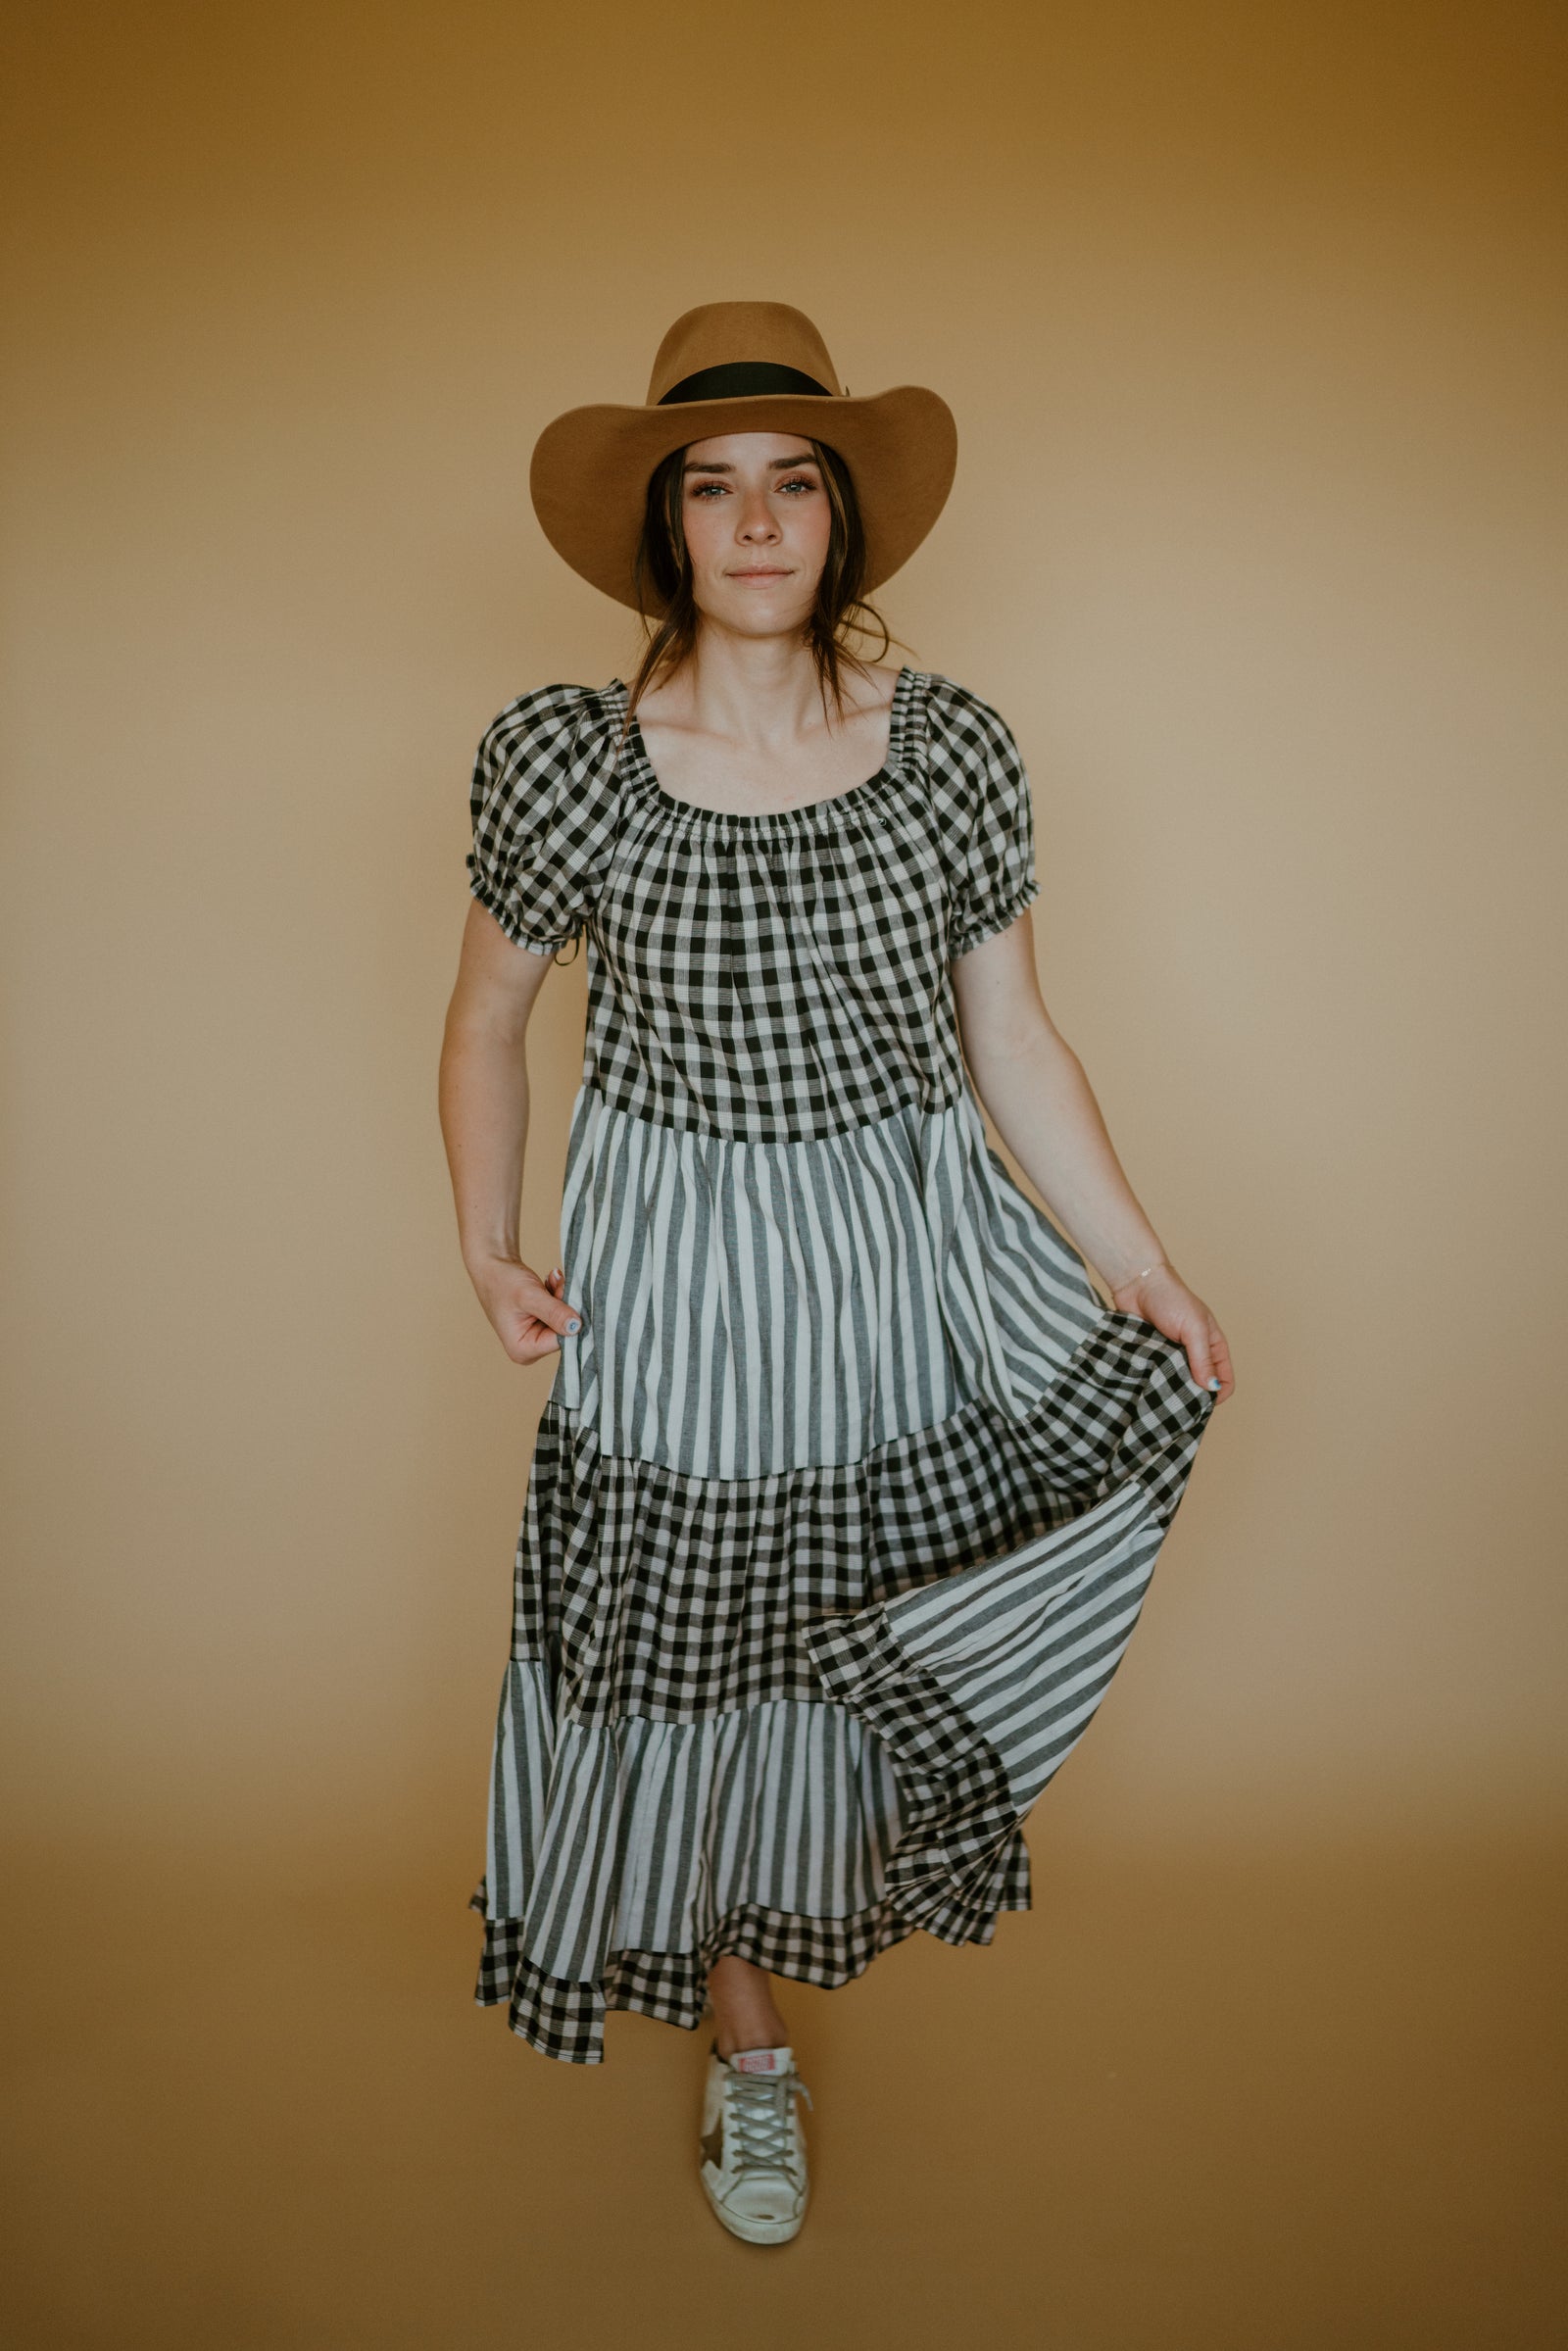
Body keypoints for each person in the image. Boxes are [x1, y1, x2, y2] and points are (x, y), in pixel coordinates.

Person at [437, 301, 1234, 2246]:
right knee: (699, 1651)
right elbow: (484, 1023)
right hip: (678, 1284)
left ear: (840, 517)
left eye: (791, 483)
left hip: (899, 1262)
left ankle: (796, 1932)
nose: (755, 522)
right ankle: (748, 2040)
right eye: (711, 487)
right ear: (664, 528)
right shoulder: (564, 761)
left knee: (846, 1630)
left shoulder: (948, 748)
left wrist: (1140, 1265)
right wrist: (486, 1242)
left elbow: (1010, 1038)